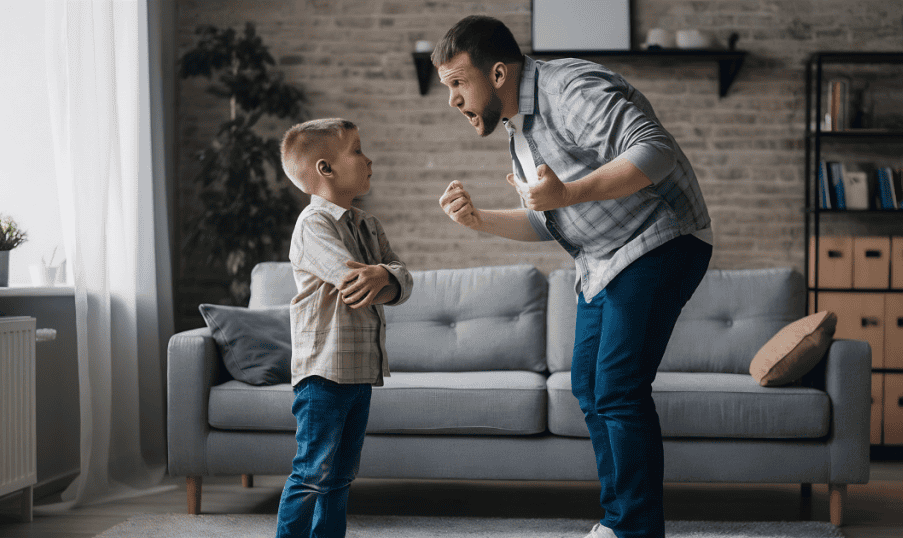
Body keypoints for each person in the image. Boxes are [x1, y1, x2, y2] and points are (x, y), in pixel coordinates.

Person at [434, 16, 712, 538]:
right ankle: (619, 521)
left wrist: (568, 194)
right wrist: (481, 220)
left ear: (497, 74)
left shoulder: (569, 89)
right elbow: (550, 219)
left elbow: (654, 149)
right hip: (603, 259)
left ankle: (636, 529)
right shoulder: (518, 133)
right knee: (587, 382)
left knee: (618, 387)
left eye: (456, 83)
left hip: (662, 237)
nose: (451, 99)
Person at [275, 118, 413, 538]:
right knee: (312, 472)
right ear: (325, 169)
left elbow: (402, 281)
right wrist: (383, 278)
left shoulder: (370, 226)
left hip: (359, 371)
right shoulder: (314, 225)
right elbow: (355, 280)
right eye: (357, 150)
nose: (368, 158)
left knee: (341, 476)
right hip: (323, 373)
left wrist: (387, 279)